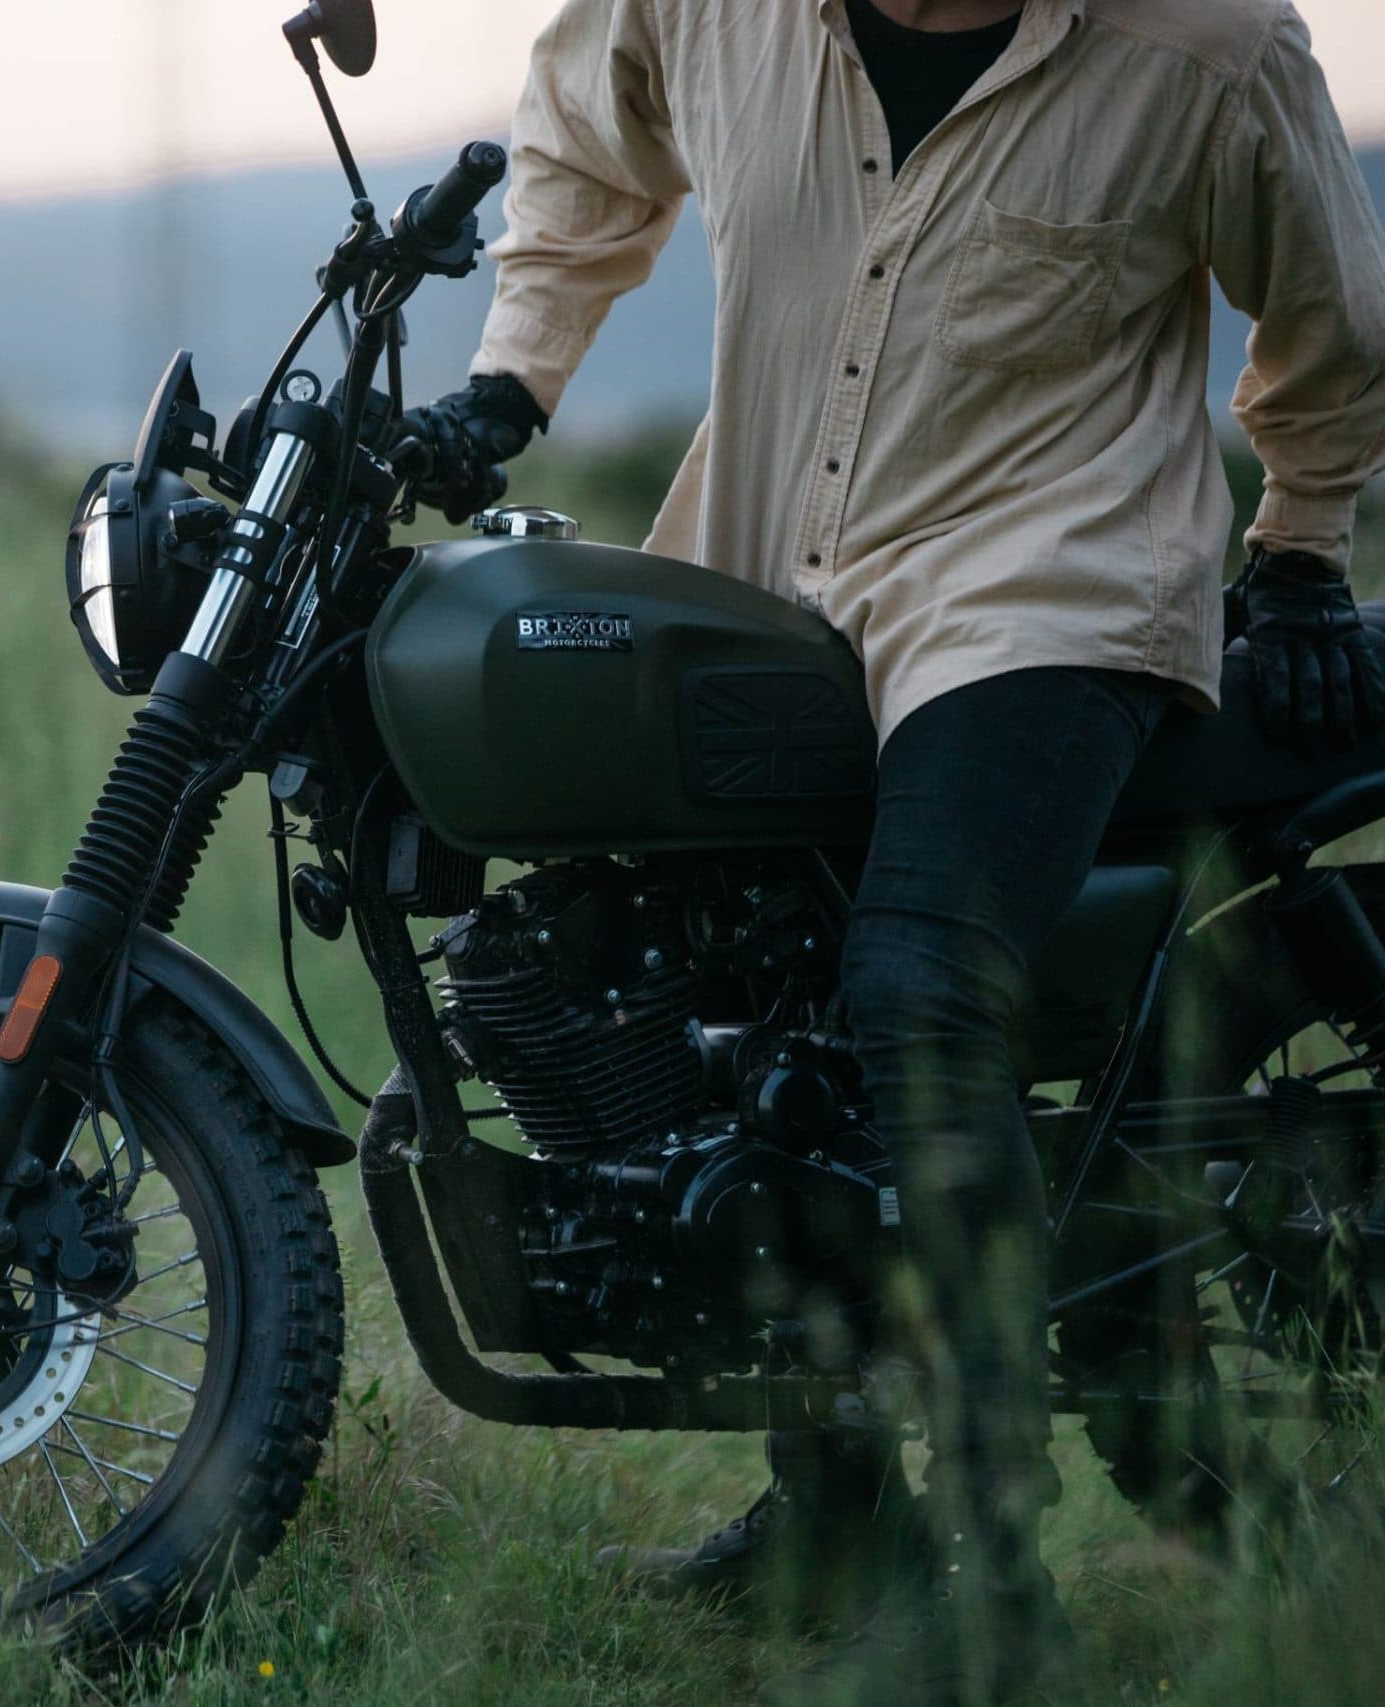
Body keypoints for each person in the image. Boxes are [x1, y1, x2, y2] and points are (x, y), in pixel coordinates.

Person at [399, 1, 1385, 1701]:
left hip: (1042, 585)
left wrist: (1300, 537)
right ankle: (832, 1518)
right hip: (775, 556)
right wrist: (509, 378)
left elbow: (1333, 304)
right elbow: (582, 136)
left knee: (919, 991)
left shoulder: (1204, 43)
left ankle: (998, 1579)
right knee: (738, 1023)